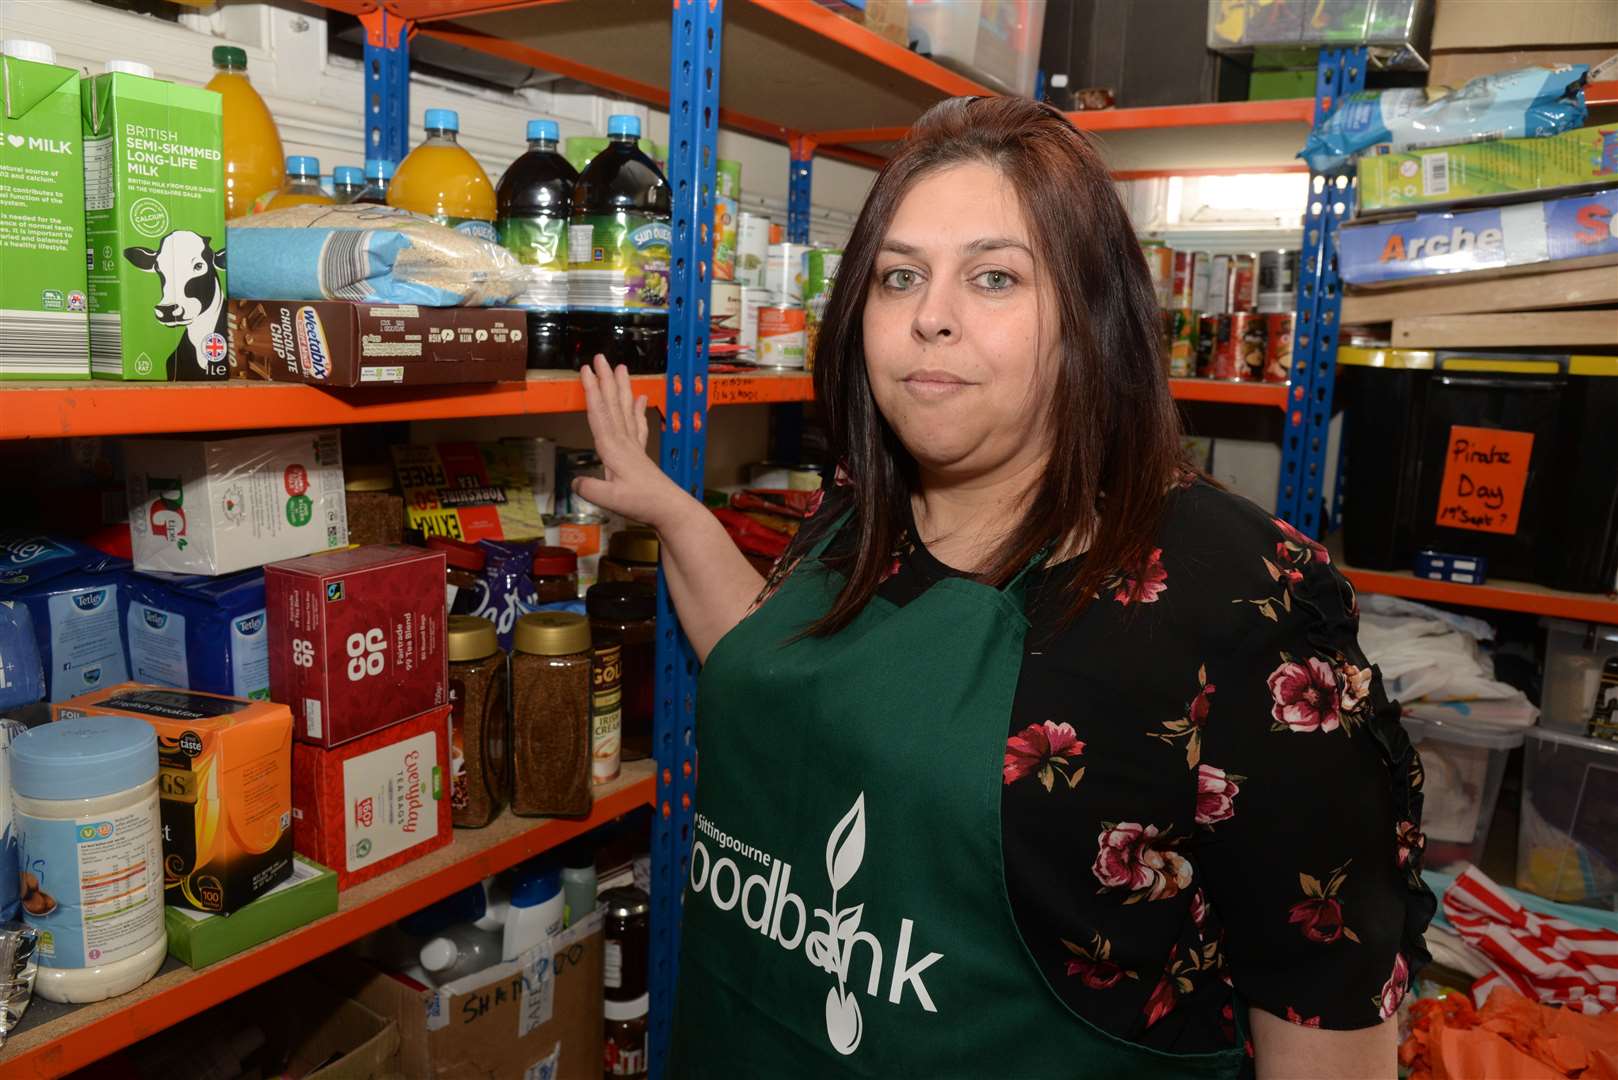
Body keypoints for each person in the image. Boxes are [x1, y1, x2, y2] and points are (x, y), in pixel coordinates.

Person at [576, 96, 1435, 1079]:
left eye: (993, 277)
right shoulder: (864, 504)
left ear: (1089, 318)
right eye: (899, 277)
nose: (929, 316)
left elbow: (1325, 1030)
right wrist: (675, 514)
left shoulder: (1244, 608)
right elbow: (770, 662)